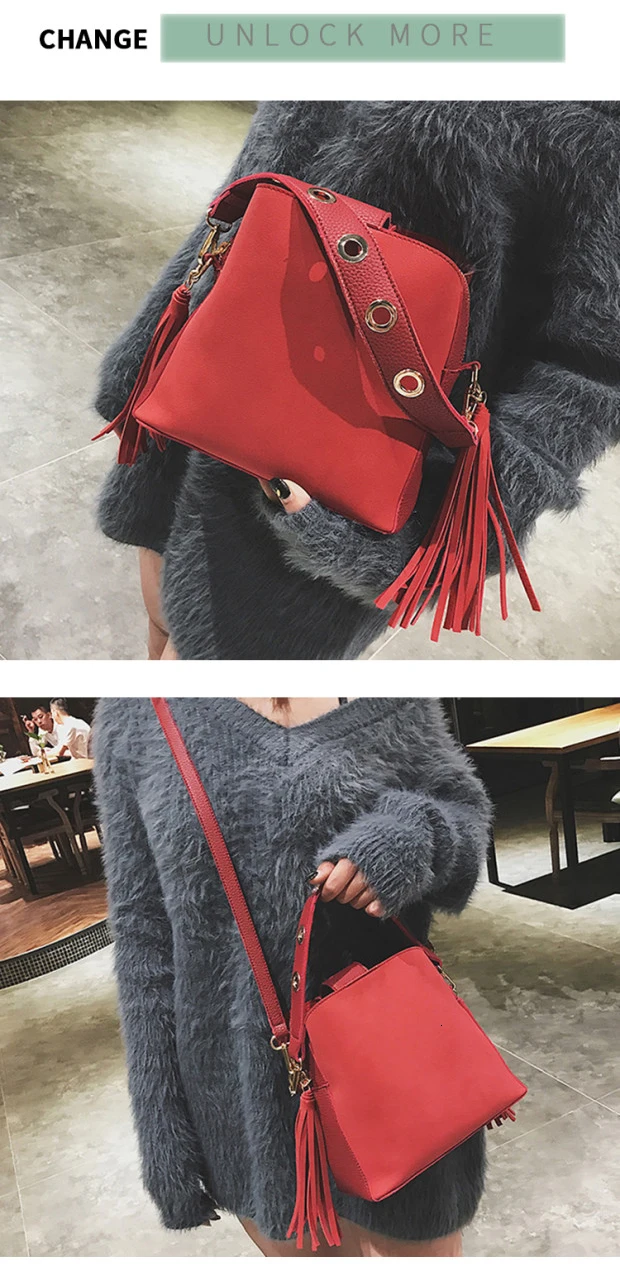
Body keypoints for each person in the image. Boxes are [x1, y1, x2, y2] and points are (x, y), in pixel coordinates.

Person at [95, 101, 620, 660]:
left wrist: (426, 540)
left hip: (325, 495)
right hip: (188, 388)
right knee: (158, 640)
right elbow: (250, 184)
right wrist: (147, 353)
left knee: (218, 685)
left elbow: (594, 368)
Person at [94, 696, 492, 1256]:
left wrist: (413, 835)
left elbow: (462, 812)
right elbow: (142, 928)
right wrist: (162, 1126)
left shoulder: (383, 692)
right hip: (240, 1089)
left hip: (395, 1063)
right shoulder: (137, 714)